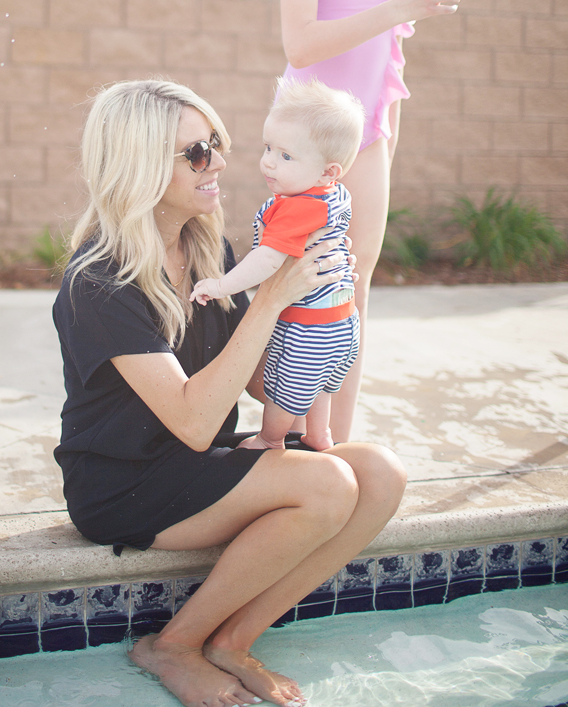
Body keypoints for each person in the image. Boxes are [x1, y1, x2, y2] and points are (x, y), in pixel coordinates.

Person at [53, 78, 406, 707]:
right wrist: (271, 299)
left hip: (197, 459)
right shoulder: (99, 282)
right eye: (194, 153)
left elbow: (247, 373)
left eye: (214, 143)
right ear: (138, 164)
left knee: (378, 473)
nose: (217, 160)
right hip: (126, 482)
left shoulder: (203, 245)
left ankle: (234, 640)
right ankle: (171, 646)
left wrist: (322, 321)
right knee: (325, 485)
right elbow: (192, 421)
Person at [280, 0, 460, 443]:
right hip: (305, 133)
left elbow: (387, 66)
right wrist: (398, 9)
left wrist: (383, 149)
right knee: (301, 284)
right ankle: (287, 438)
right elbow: (300, 46)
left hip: (367, 139)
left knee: (352, 291)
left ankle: (333, 445)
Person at [190, 78, 364, 452]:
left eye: (286, 156)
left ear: (327, 172)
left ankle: (270, 439)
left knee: (289, 387)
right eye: (269, 148)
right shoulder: (333, 194)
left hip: (310, 328)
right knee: (319, 384)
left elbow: (267, 260)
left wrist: (221, 286)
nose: (268, 161)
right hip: (343, 324)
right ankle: (319, 435)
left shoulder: (297, 208)